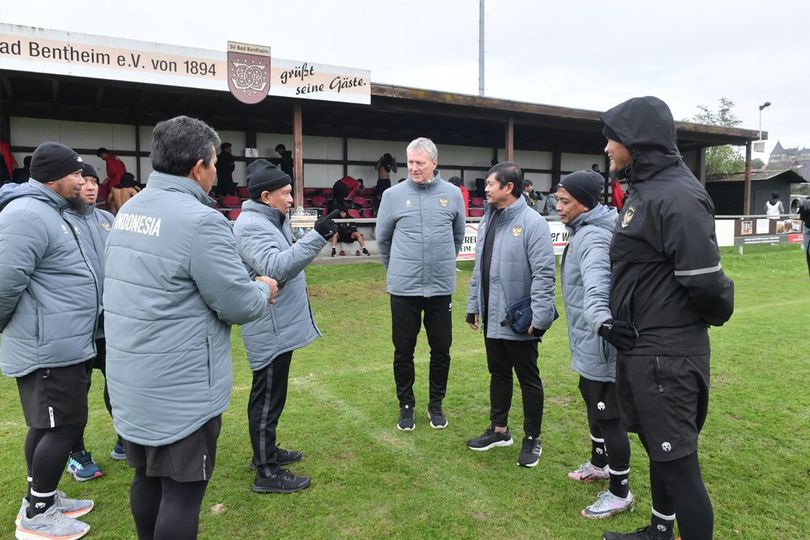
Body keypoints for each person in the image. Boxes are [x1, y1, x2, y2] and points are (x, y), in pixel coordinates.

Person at [103, 116, 278, 540]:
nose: (218, 172)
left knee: (145, 477)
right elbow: (237, 303)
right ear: (198, 166)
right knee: (182, 492)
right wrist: (262, 287)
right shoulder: (201, 221)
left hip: (133, 377)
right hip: (179, 388)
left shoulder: (130, 209)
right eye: (216, 163)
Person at [600, 96, 734, 540]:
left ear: (637, 142)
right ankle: (659, 532)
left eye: (612, 139)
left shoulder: (676, 195)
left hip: (667, 356)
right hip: (645, 349)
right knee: (662, 453)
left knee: (679, 466)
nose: (606, 148)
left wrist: (675, 326)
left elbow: (706, 282)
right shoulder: (647, 188)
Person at [0, 142, 96, 540]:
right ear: (56, 179)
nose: (83, 180)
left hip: (65, 342)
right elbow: (4, 283)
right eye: (76, 174)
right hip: (48, 346)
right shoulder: (26, 214)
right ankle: (37, 514)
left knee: (48, 425)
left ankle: (44, 494)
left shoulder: (55, 211)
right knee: (62, 427)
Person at [233, 159, 336, 494]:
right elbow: (276, 267)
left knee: (273, 393)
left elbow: (291, 250)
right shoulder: (250, 226)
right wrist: (317, 237)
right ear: (266, 196)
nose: (292, 199)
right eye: (286, 193)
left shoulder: (272, 219)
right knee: (266, 396)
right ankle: (266, 472)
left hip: (278, 324)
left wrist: (311, 230)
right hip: (268, 324)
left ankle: (266, 452)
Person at [464, 161, 556, 468]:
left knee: (528, 379)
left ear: (509, 188)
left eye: (491, 184)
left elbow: (544, 274)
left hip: (520, 320)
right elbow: (480, 267)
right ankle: (499, 430)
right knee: (498, 374)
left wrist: (539, 318)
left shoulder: (532, 223)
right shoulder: (488, 219)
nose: (485, 188)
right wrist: (473, 304)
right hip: (491, 316)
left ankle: (533, 438)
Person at [556, 170, 634, 519]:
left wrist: (602, 322)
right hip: (588, 339)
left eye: (565, 201)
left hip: (601, 341)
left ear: (585, 202)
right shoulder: (586, 230)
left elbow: (597, 285)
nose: (557, 206)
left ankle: (620, 492)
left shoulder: (593, 238)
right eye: (557, 199)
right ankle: (600, 463)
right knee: (591, 397)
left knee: (607, 411)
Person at [376, 137, 465, 431]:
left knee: (442, 350)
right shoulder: (392, 195)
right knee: (403, 350)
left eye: (419, 163)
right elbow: (383, 240)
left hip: (441, 288)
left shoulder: (452, 195)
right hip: (404, 289)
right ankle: (406, 405)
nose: (413, 168)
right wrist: (398, 270)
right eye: (410, 162)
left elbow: (457, 236)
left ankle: (436, 404)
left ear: (434, 164)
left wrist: (439, 265)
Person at [63, 162, 124, 484]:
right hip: (75, 329)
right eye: (83, 181)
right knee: (74, 395)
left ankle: (124, 437)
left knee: (119, 385)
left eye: (93, 181)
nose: (89, 187)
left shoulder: (108, 220)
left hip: (109, 324)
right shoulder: (58, 220)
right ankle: (76, 452)